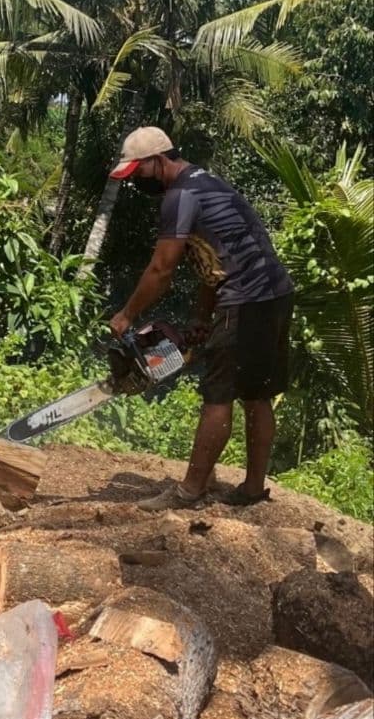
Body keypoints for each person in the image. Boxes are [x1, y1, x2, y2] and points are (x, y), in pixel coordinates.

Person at [108, 126, 294, 510]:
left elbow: (162, 270)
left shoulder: (180, 196)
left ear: (157, 161)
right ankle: (252, 488)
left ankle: (190, 491)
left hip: (245, 299)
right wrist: (200, 315)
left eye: (138, 172)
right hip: (274, 294)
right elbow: (215, 258)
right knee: (257, 395)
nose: (135, 182)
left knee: (218, 395)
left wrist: (127, 315)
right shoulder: (205, 183)